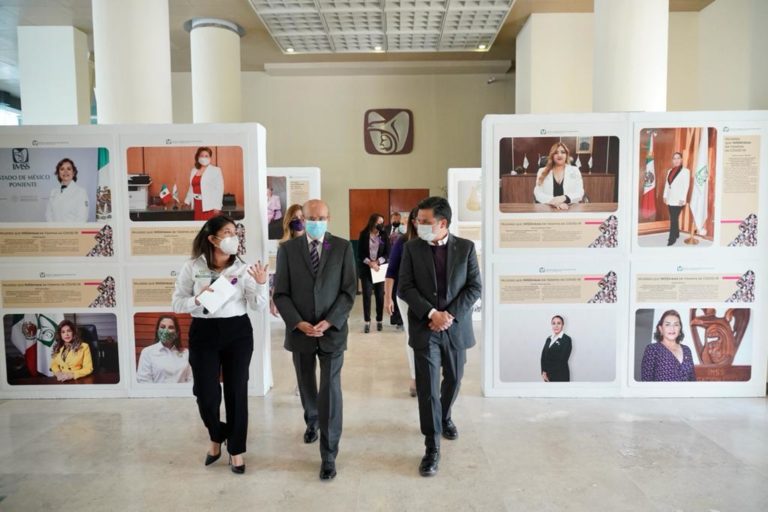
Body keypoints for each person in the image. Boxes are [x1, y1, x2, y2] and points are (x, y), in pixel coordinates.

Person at [171, 215, 268, 474]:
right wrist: (197, 300)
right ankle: (217, 434)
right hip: (204, 331)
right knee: (205, 394)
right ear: (212, 238)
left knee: (236, 391)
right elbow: (177, 303)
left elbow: (257, 306)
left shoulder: (243, 268)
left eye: (235, 232)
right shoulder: (192, 266)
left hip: (237, 332)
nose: (233, 237)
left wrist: (260, 285)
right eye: (227, 232)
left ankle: (235, 450)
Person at [273, 199, 356, 481]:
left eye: (321, 217)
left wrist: (331, 320)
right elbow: (281, 293)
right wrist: (298, 322)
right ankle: (312, 419)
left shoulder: (342, 247)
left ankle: (329, 454)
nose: (316, 221)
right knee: (307, 383)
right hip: (301, 332)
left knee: (330, 391)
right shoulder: (288, 250)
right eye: (311, 217)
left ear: (328, 218)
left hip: (332, 331)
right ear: (302, 219)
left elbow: (348, 291)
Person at [398, 196, 482, 477]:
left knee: (455, 378)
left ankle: (444, 416)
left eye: (424, 222)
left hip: (455, 327)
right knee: (428, 389)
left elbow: (474, 287)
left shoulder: (466, 248)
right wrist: (432, 313)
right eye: (418, 221)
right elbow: (405, 288)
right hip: (426, 328)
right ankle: (431, 446)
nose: (418, 225)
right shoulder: (412, 248)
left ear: (442, 223)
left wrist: (449, 315)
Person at [384, 207, 419, 397]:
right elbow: (391, 271)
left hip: (432, 297)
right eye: (417, 219)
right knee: (412, 335)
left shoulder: (434, 241)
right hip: (405, 296)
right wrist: (387, 297)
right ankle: (415, 376)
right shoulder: (402, 242)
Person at [270, 203, 306, 318]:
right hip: (294, 295)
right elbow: (280, 275)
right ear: (289, 221)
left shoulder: (315, 243)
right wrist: (274, 299)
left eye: (302, 217)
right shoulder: (285, 247)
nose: (299, 221)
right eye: (295, 218)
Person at [640, 309, 696, 382]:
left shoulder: (686, 350)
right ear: (661, 329)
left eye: (676, 324)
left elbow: (693, 380)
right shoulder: (652, 349)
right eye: (667, 324)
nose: (672, 328)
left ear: (680, 329)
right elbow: (646, 382)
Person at [136, 315, 192, 383]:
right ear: (157, 331)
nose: (166, 330)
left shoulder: (186, 353)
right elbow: (144, 381)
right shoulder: (147, 352)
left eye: (171, 327)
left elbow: (191, 380)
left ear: (177, 333)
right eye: (162, 327)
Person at [358, 213, 389, 333]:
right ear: (372, 222)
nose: (381, 225)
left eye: (382, 222)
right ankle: (367, 322)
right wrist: (370, 263)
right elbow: (360, 254)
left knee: (380, 296)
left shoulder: (384, 235)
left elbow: (388, 253)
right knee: (366, 296)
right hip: (366, 269)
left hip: (379, 270)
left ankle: (379, 320)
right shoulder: (364, 234)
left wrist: (378, 262)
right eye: (378, 222)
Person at [533, 142, 584, 210]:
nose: (559, 155)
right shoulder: (542, 171)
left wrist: (564, 198)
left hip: (570, 209)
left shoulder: (574, 170)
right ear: (552, 155)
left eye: (563, 152)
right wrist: (556, 202)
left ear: (566, 155)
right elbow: (538, 193)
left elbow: (579, 192)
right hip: (548, 209)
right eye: (556, 153)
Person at [183, 147, 223, 221]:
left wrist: (217, 207)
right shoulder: (194, 170)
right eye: (202, 155)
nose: (204, 158)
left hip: (209, 206)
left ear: (210, 158)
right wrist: (187, 201)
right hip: (197, 204)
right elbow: (191, 187)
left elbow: (219, 190)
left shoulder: (216, 170)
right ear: (198, 157)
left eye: (206, 156)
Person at [45, 158, 89, 222]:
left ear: (73, 172)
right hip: (54, 231)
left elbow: (82, 217)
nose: (65, 171)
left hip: (72, 231)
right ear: (58, 173)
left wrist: (69, 232)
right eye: (62, 169)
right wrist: (54, 230)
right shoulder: (53, 192)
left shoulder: (81, 192)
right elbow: (48, 214)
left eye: (69, 169)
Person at [662, 152, 691, 246]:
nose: (676, 160)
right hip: (670, 198)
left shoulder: (686, 171)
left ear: (681, 159)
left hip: (679, 199)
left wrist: (683, 198)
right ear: (672, 160)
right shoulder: (669, 171)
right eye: (674, 158)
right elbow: (667, 184)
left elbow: (686, 186)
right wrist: (665, 195)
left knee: (673, 219)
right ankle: (677, 233)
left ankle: (672, 238)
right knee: (674, 218)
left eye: (678, 158)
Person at [540, 315, 572, 382]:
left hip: (560, 375)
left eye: (559, 323)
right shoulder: (549, 339)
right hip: (547, 376)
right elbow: (543, 356)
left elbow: (562, 360)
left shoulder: (566, 339)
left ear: (563, 325)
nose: (556, 326)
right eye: (554, 323)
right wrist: (543, 372)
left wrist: (548, 373)